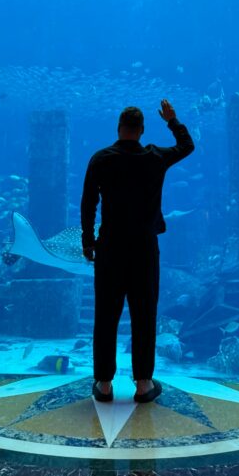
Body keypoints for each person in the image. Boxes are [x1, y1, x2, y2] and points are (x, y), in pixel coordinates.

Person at [80, 99, 195, 404]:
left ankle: (104, 385)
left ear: (119, 128)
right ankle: (143, 384)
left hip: (110, 249)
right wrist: (172, 120)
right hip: (144, 249)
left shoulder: (101, 159)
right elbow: (187, 146)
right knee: (144, 314)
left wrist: (88, 243)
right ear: (142, 130)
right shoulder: (155, 157)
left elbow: (88, 203)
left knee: (106, 315)